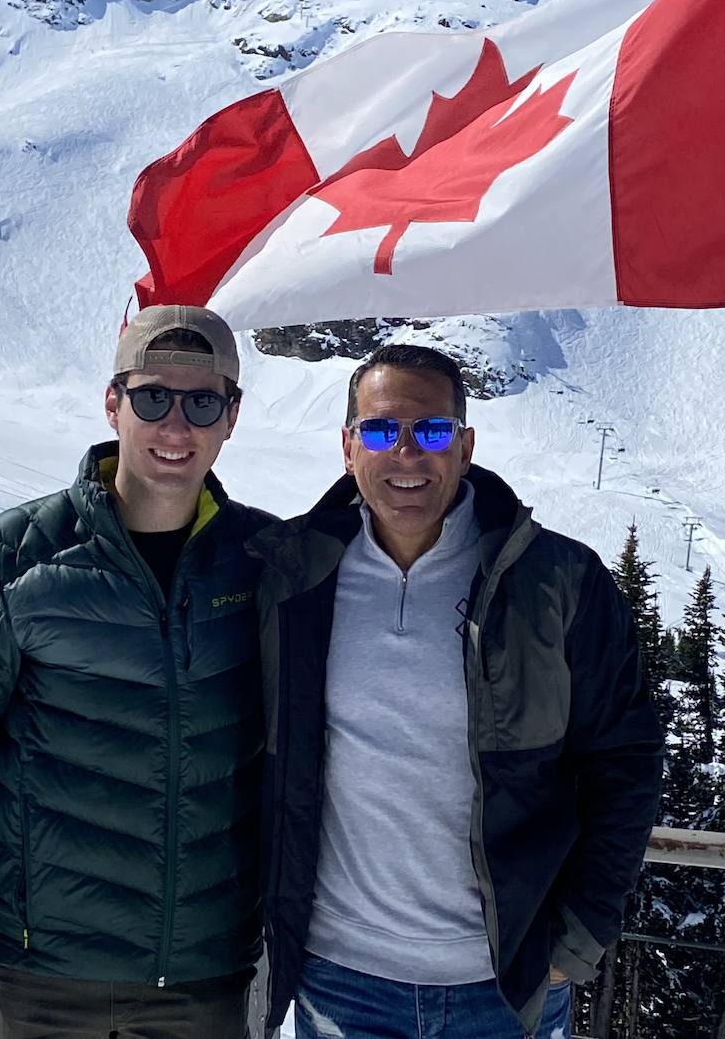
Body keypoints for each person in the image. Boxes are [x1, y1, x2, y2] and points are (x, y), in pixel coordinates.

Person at [249, 343, 664, 1039]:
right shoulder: (291, 578)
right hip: (342, 978)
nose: (407, 454)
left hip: (505, 987)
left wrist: (577, 939)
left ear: (465, 446)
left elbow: (624, 760)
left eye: (432, 431)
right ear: (348, 447)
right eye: (381, 431)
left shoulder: (556, 580)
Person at [0, 305, 269, 1039]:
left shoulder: (264, 560)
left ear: (231, 416)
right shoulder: (15, 557)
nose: (175, 426)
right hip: (43, 979)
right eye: (152, 397)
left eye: (201, 403)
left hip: (206, 977)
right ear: (113, 402)